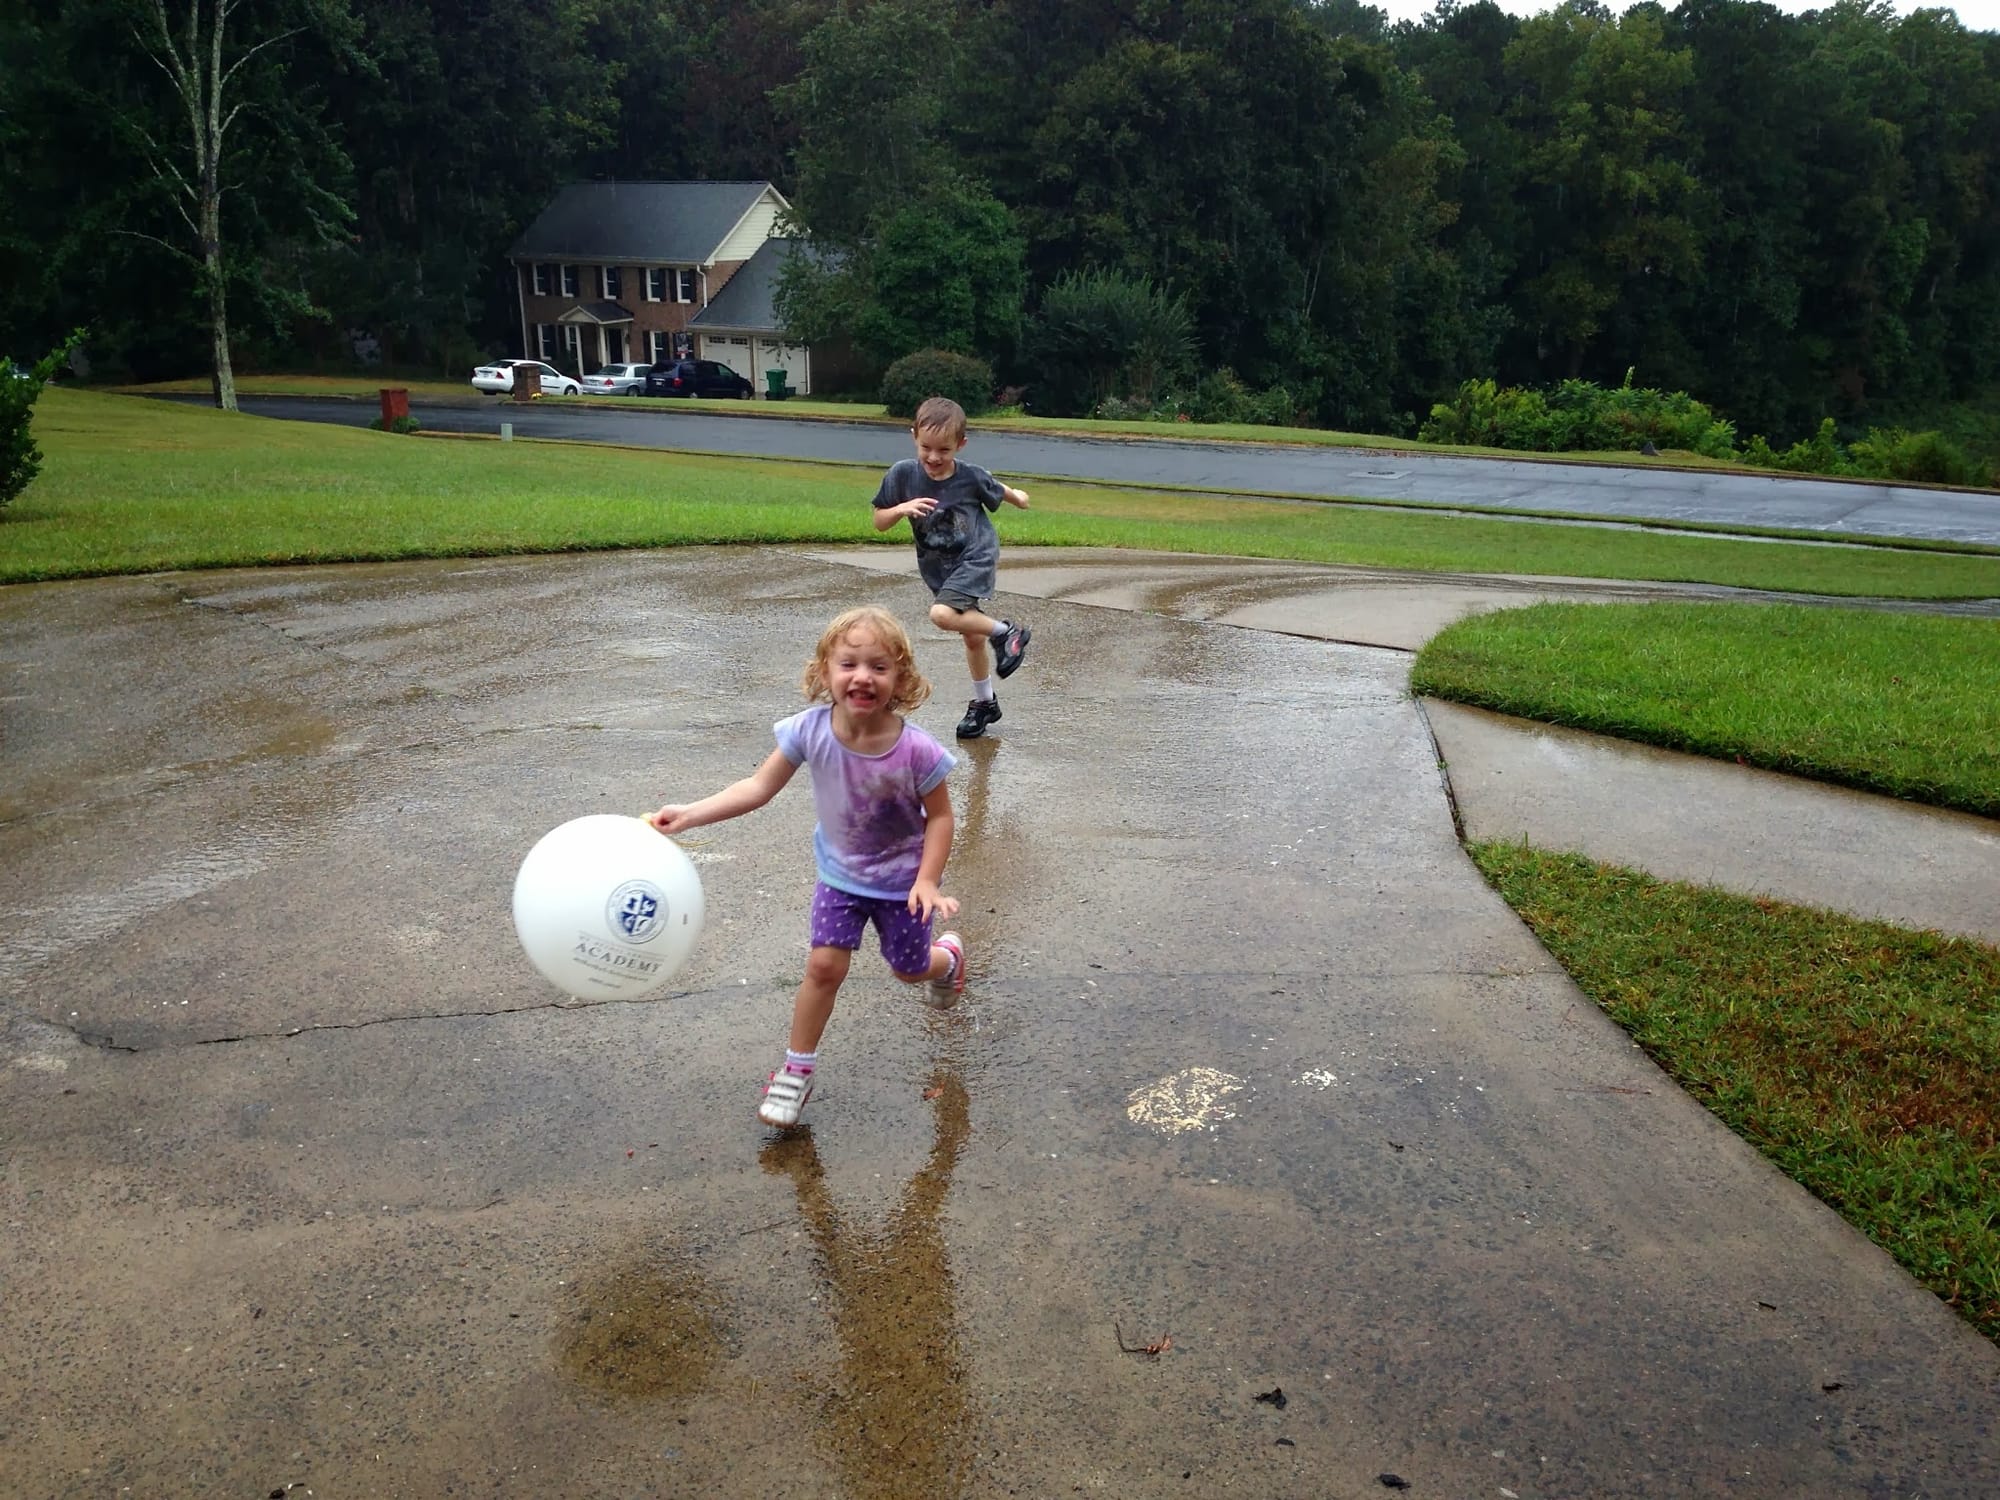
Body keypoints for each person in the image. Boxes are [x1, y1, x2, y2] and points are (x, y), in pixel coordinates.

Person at [648, 605, 966, 1128]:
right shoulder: (807, 731)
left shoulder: (917, 752)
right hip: (840, 879)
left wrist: (928, 879)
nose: (863, 676)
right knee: (823, 967)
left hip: (903, 886)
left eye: (879, 667)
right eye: (848, 663)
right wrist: (689, 814)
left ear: (900, 679)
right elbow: (757, 788)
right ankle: (796, 1070)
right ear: (824, 672)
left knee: (909, 970)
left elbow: (941, 818)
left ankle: (947, 959)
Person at [872, 395, 1034, 741]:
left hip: (975, 556)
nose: (933, 457)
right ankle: (985, 703)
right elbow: (879, 522)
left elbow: (992, 484)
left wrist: (1017, 497)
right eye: (926, 447)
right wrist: (901, 508)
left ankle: (1008, 633)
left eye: (944, 450)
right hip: (939, 567)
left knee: (942, 615)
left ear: (960, 444)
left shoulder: (969, 476)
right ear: (914, 435)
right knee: (972, 635)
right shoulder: (901, 475)